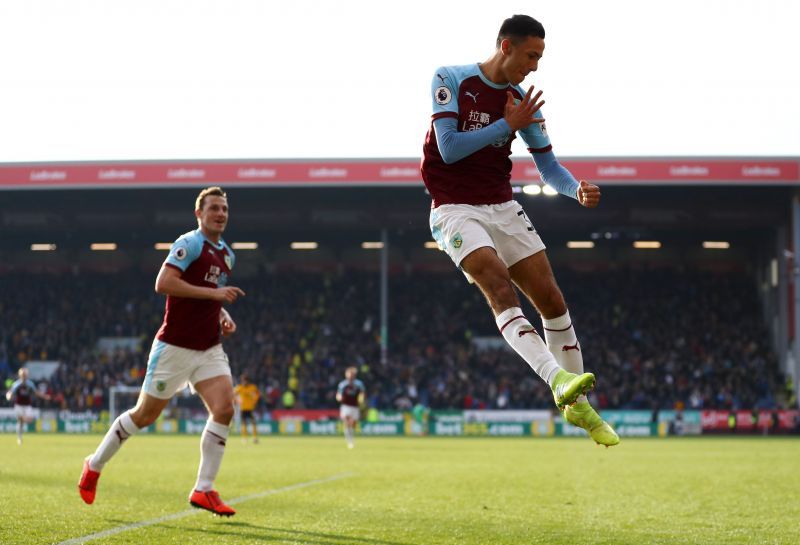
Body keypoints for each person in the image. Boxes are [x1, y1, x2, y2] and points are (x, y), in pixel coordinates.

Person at [421, 14, 618, 447]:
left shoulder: (524, 103)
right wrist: (506, 125)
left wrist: (575, 188)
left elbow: (548, 166)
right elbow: (450, 148)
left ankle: (577, 404)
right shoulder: (450, 78)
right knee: (498, 286)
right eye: (531, 55)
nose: (535, 66)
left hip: (502, 205)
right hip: (454, 208)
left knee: (551, 299)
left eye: (540, 57)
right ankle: (559, 379)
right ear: (506, 46)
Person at [78, 186, 246, 515]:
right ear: (199, 214)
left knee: (225, 409)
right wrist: (215, 298)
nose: (221, 214)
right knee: (144, 415)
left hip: (208, 347)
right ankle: (94, 464)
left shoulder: (227, 253)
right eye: (214, 208)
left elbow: (210, 293)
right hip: (174, 348)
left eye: (224, 209)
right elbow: (164, 283)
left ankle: (204, 489)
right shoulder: (189, 243)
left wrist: (223, 314)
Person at [5, 367, 50, 445]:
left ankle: (21, 418)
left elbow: (36, 392)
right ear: (20, 375)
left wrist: (44, 396)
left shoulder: (30, 384)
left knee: (29, 420)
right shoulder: (17, 384)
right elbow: (10, 392)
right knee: (20, 423)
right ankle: (19, 438)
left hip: (27, 406)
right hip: (18, 405)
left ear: (27, 375)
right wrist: (8, 396)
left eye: (25, 374)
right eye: (23, 374)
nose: (24, 376)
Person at [336, 367, 365, 449]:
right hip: (345, 406)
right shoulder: (343, 384)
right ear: (346, 375)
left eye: (352, 374)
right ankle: (349, 441)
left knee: (353, 424)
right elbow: (338, 394)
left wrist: (361, 399)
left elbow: (362, 393)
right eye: (349, 374)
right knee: (347, 421)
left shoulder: (359, 384)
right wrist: (338, 397)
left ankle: (351, 438)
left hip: (355, 406)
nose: (350, 376)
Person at [234, 373, 260, 443]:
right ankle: (244, 438)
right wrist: (237, 401)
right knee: (244, 424)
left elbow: (258, 394)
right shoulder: (239, 388)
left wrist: (255, 400)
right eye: (243, 381)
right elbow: (233, 395)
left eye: (246, 381)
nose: (244, 382)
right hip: (243, 409)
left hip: (250, 408)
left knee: (253, 423)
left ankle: (255, 438)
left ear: (248, 381)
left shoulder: (253, 387)